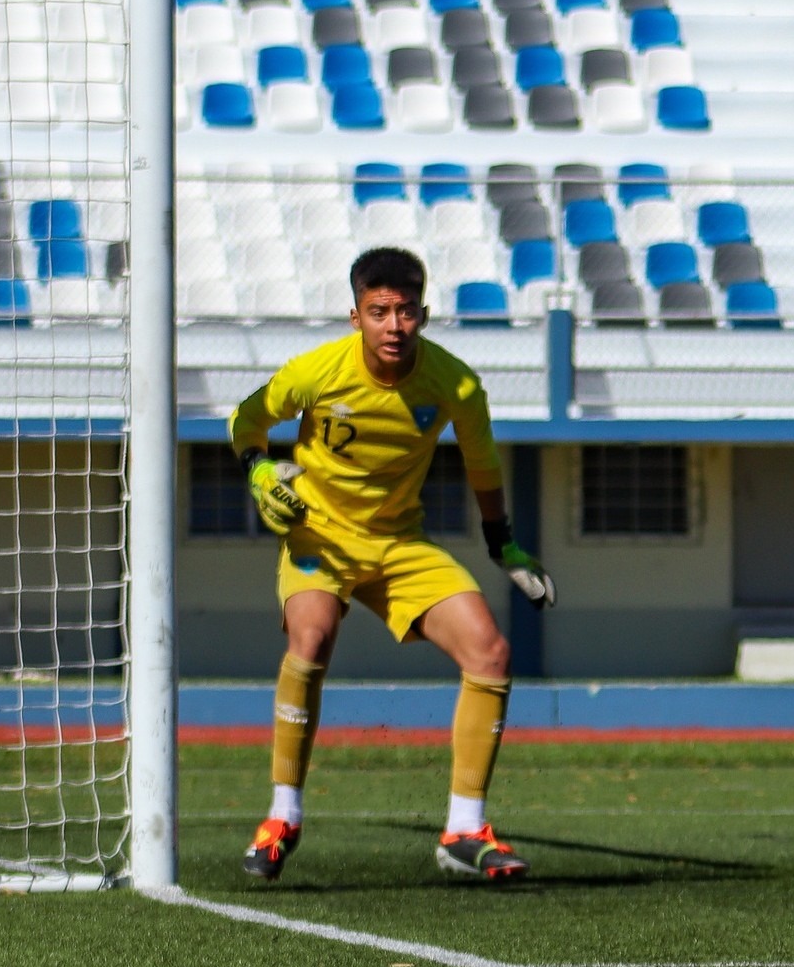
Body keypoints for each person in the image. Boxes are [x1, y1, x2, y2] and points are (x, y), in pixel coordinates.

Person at [228, 247, 556, 882]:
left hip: (401, 544)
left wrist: (503, 545)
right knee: (313, 637)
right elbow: (245, 420)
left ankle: (464, 829)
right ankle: (282, 816)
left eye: (406, 311)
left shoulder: (455, 383)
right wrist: (259, 469)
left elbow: (484, 467)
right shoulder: (315, 372)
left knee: (490, 652)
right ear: (356, 317)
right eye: (380, 312)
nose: (394, 326)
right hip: (320, 536)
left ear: (424, 315)